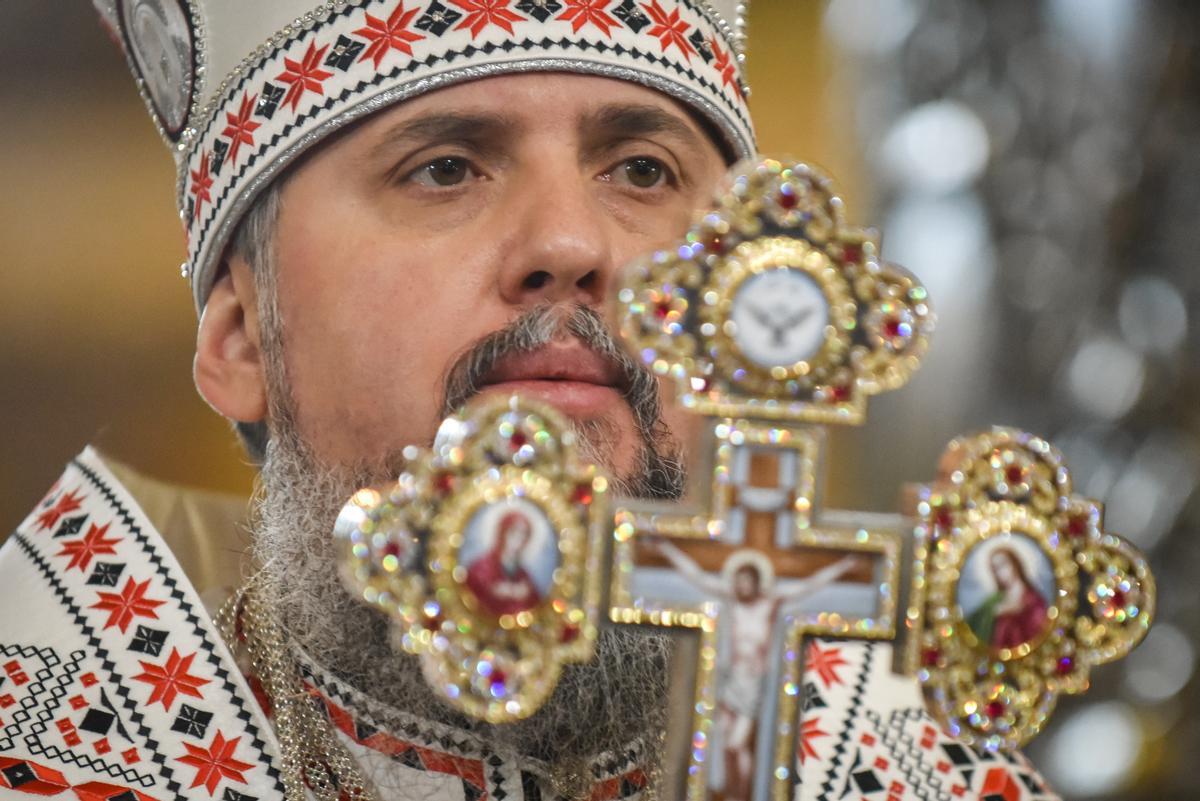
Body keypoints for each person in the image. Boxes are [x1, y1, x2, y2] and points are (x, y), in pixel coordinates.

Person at [0, 2, 1059, 800]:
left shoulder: (914, 771)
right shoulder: (60, 743)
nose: (571, 244)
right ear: (241, 339)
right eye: (446, 168)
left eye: (642, 170)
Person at [650, 541, 858, 801]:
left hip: (752, 684)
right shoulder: (730, 600)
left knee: (738, 744)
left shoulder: (770, 604)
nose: (743, 586)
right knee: (725, 742)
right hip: (730, 680)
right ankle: (727, 790)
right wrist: (667, 550)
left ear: (758, 581)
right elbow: (696, 577)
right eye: (739, 580)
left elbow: (809, 586)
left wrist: (842, 566)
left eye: (747, 581)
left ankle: (744, 794)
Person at [966, 546, 1050, 651]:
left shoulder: (1032, 599)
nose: (999, 573)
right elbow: (974, 622)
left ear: (1014, 563)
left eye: (1002, 565)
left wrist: (1019, 613)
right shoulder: (994, 600)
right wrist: (993, 614)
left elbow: (1040, 628)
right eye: (995, 569)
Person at [465, 510, 542, 615]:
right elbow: (473, 592)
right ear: (502, 533)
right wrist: (493, 591)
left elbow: (536, 603)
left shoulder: (523, 573)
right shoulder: (482, 566)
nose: (519, 540)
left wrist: (524, 594)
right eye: (514, 533)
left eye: (524, 535)